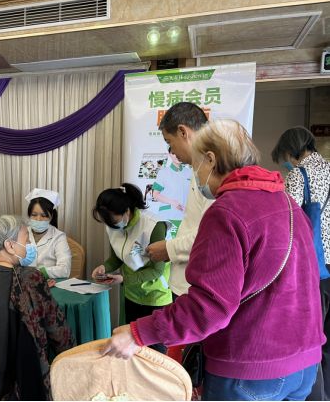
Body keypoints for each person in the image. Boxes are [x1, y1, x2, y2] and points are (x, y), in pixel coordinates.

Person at [104, 120, 324, 401]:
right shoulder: (287, 203)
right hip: (305, 365)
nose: (193, 174)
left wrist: (138, 333)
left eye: (194, 165)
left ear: (210, 159)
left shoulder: (228, 211)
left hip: (251, 369)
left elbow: (208, 307)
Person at [0, 215, 74, 400]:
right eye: (26, 240)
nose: (30, 245)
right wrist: (71, 360)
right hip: (18, 379)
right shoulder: (30, 277)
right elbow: (58, 331)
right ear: (10, 245)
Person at [272, 127, 330, 400]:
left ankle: (313, 395)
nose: (286, 163)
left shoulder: (298, 175)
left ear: (292, 151)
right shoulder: (329, 169)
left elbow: (286, 221)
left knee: (313, 338)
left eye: (285, 157)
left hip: (316, 269)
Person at [91, 183, 170, 353]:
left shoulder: (153, 226)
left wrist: (124, 279)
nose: (111, 226)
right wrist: (104, 267)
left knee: (154, 353)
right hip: (131, 294)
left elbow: (157, 271)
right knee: (130, 349)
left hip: (155, 297)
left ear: (127, 210)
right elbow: (116, 258)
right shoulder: (113, 225)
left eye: (113, 220)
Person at [146, 102, 213, 299]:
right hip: (187, 283)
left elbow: (210, 237)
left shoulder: (211, 171)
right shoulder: (195, 168)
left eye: (170, 142)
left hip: (196, 288)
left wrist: (167, 249)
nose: (172, 152)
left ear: (183, 132)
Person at [25, 188, 71, 279]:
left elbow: (65, 269)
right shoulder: (21, 233)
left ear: (51, 216)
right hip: (23, 283)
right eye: (34, 215)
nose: (38, 219)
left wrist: (38, 273)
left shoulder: (58, 237)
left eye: (44, 215)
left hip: (48, 284)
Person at [151, 147, 192, 223]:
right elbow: (155, 194)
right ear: (169, 154)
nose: (177, 156)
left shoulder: (189, 173)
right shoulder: (163, 173)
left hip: (185, 216)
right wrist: (172, 202)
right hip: (168, 215)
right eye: (174, 153)